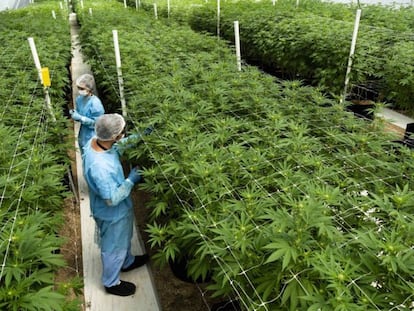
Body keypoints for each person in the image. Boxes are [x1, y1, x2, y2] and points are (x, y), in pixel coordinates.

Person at [82, 113, 149, 296]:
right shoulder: (100, 168)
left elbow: (118, 147)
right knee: (113, 246)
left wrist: (141, 136)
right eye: (121, 132)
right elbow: (111, 199)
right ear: (114, 136)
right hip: (112, 212)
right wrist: (130, 180)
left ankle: (126, 262)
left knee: (123, 237)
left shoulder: (96, 142)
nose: (123, 134)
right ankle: (111, 282)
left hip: (119, 210)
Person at [70, 73, 105, 152]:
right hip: (83, 134)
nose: (80, 90)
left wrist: (81, 118)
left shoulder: (96, 104)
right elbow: (80, 112)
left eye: (82, 88)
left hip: (93, 135)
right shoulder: (79, 99)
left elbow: (97, 123)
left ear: (89, 88)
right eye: (78, 88)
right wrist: (75, 114)